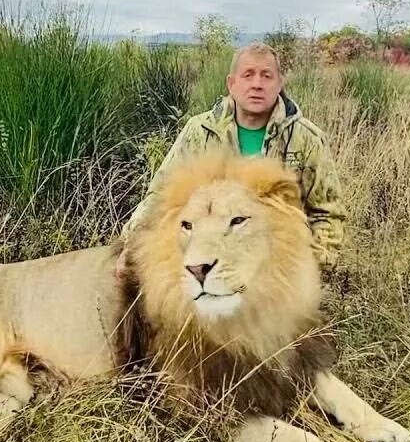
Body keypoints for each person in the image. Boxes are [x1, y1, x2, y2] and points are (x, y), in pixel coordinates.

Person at [119, 41, 347, 272]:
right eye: (248, 75)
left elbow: (327, 213)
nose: (257, 84)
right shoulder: (199, 131)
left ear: (279, 84)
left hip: (275, 267)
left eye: (266, 76)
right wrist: (131, 244)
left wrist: (312, 268)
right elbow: (160, 195)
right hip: (205, 255)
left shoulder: (306, 138)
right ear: (231, 83)